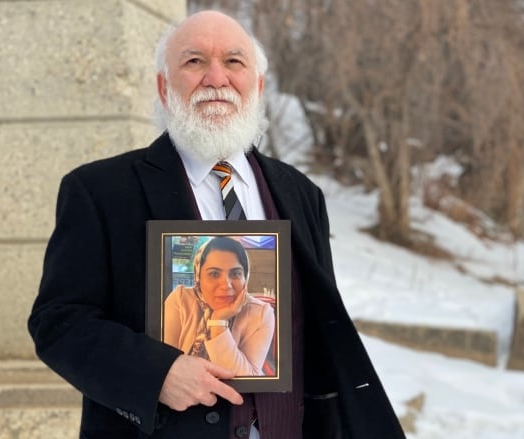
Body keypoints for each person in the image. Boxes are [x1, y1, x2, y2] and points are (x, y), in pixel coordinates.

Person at [28, 9, 405, 439]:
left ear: (258, 85)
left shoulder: (301, 194)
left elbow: (316, 334)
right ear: (163, 86)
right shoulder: (100, 191)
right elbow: (59, 323)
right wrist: (157, 374)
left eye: (233, 61)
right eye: (193, 62)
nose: (216, 78)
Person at [163, 237, 275, 376]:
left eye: (235, 274)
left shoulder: (261, 313)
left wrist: (218, 322)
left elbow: (248, 378)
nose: (226, 284)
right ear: (198, 277)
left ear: (245, 277)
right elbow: (166, 368)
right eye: (214, 274)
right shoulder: (180, 300)